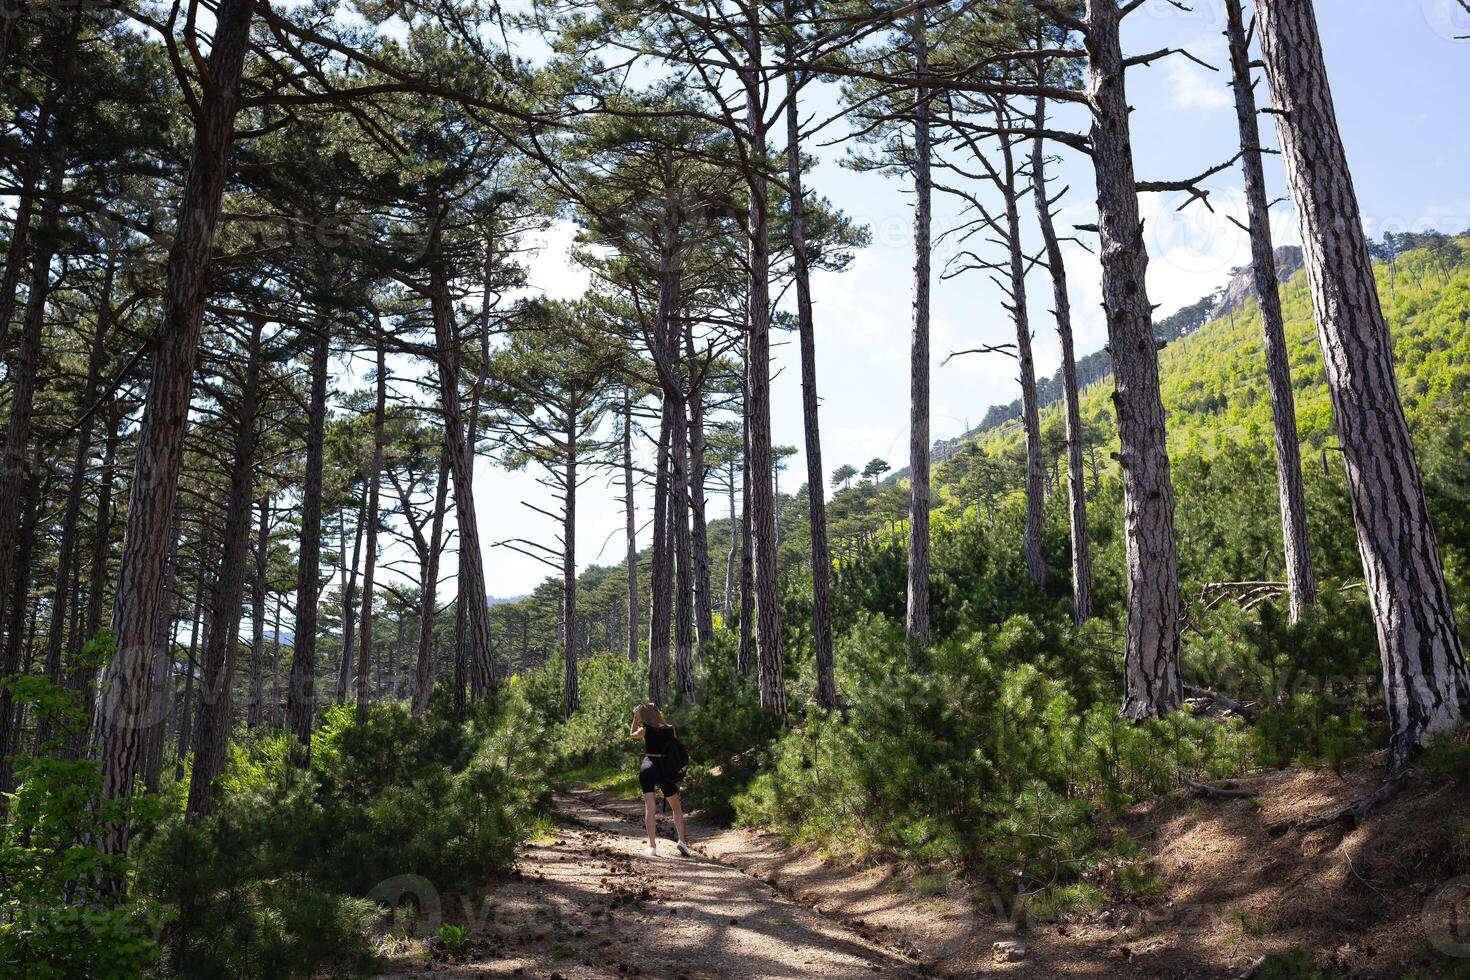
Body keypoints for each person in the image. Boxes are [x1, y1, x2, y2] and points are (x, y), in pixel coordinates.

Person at [628, 702, 690, 858]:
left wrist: (635, 718)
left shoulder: (645, 729)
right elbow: (674, 750)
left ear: (644, 716)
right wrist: (677, 777)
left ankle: (652, 847)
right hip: (665, 769)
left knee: (650, 809)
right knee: (676, 807)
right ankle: (682, 841)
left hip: (648, 766)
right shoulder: (670, 729)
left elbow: (632, 734)